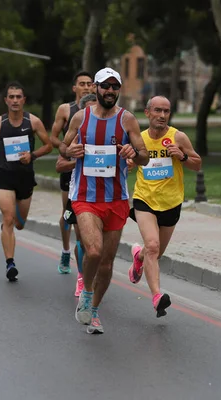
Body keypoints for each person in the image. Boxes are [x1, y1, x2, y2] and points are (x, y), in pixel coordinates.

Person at [59, 67, 149, 334]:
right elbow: (63, 148)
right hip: (86, 197)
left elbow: (143, 156)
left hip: (117, 199)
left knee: (107, 262)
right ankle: (86, 292)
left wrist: (134, 151)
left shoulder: (127, 120)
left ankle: (94, 310)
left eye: (114, 87)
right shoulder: (80, 118)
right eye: (105, 86)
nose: (110, 91)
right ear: (96, 88)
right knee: (94, 251)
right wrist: (70, 150)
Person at [127, 95, 202, 317]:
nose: (162, 115)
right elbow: (128, 162)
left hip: (171, 202)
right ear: (147, 113)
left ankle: (138, 258)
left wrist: (183, 156)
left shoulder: (178, 136)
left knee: (154, 254)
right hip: (144, 200)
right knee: (153, 246)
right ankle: (157, 296)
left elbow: (197, 164)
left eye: (166, 111)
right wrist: (129, 163)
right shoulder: (139, 139)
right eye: (157, 110)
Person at [0, 81, 53, 282]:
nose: (14, 100)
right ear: (6, 100)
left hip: (25, 178)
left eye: (18, 97)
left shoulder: (33, 122)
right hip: (4, 176)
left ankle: (10, 227)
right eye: (11, 97)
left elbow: (48, 146)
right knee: (8, 218)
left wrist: (32, 156)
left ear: (24, 100)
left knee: (19, 223)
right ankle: (10, 263)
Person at [50, 71, 94, 275]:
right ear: (74, 88)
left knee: (83, 220)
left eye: (89, 83)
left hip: (92, 169)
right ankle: (66, 250)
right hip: (70, 166)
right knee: (68, 214)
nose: (86, 87)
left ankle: (82, 267)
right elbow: (54, 138)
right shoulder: (66, 109)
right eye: (82, 84)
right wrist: (67, 151)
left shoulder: (98, 109)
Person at [54, 93, 97, 297]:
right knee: (82, 238)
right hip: (80, 193)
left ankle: (91, 274)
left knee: (99, 245)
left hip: (106, 195)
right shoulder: (75, 138)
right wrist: (77, 161)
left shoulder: (111, 135)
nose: (93, 114)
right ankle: (82, 277)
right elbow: (59, 165)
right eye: (88, 110)